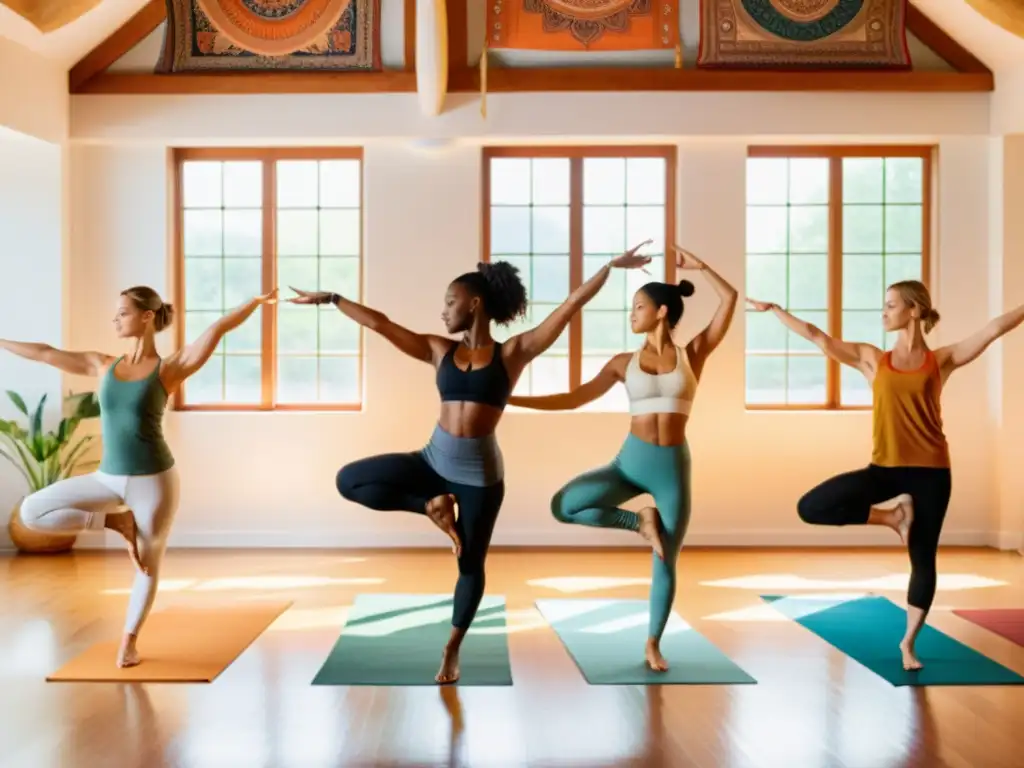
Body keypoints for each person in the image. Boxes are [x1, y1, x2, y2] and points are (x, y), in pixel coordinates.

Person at [287, 240, 653, 684]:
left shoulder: (513, 353)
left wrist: (610, 267)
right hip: (432, 462)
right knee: (351, 480)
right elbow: (381, 324)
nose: (443, 311)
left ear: (474, 303)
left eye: (450, 301)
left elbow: (570, 306)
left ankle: (452, 648)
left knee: (470, 566)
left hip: (480, 479)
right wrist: (331, 299)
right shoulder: (438, 349)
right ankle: (430, 505)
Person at [747, 279, 1024, 671]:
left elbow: (993, 329)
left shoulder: (941, 359)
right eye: (884, 305)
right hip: (884, 471)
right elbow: (817, 336)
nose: (884, 312)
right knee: (811, 507)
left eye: (891, 305)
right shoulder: (871, 359)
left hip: (932, 474)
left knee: (923, 559)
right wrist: (776, 310)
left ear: (913, 310)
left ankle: (908, 643)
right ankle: (892, 517)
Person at [1, 286, 278, 667]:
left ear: (147, 317)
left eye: (123, 313)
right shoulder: (102, 365)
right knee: (33, 512)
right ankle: (116, 521)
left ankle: (129, 642)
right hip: (107, 478)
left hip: (155, 481)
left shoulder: (169, 369)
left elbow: (217, 329)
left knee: (147, 563)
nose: (115, 319)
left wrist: (253, 303)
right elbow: (46, 353)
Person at [505, 246, 738, 672]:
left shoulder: (693, 354)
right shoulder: (622, 363)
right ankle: (638, 522)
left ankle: (652, 643)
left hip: (671, 468)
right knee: (564, 505)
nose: (632, 315)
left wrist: (703, 265)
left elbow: (730, 300)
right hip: (630, 463)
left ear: (662, 312)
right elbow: (574, 398)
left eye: (639, 307)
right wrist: (512, 398)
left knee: (666, 556)